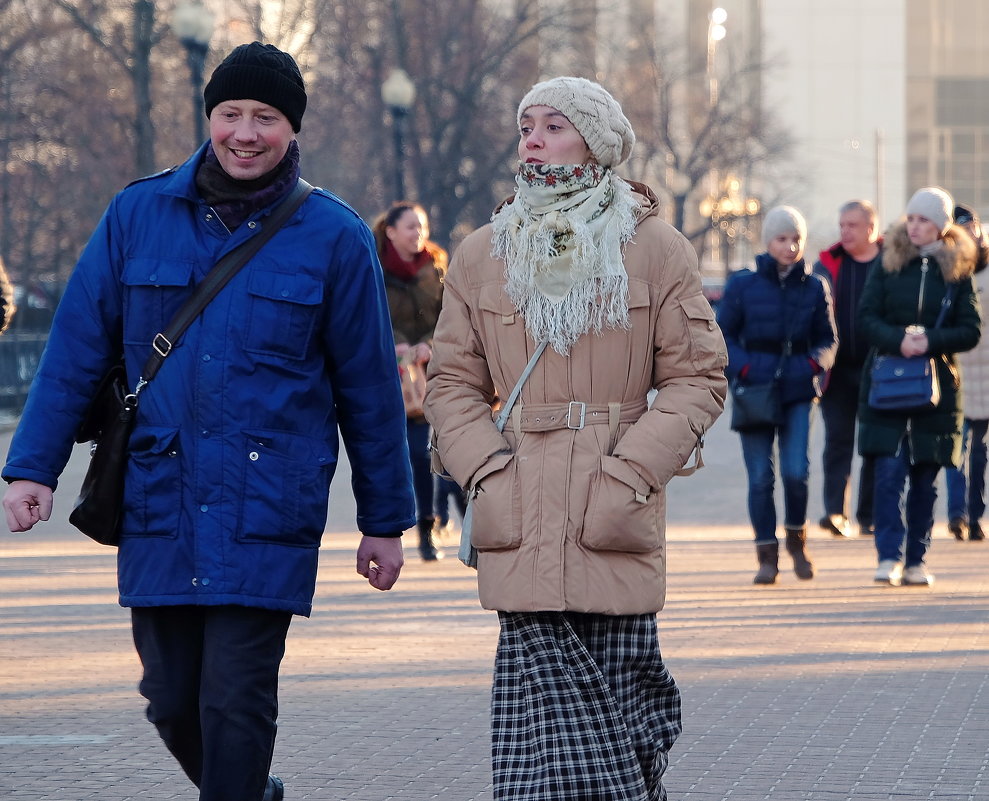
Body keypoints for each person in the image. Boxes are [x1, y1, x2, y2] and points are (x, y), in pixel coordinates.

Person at [2, 42, 414, 801]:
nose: (245, 132)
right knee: (169, 697)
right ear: (209, 117)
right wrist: (32, 467)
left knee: (235, 701)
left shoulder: (334, 235)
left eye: (266, 117)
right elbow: (75, 351)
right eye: (231, 113)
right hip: (158, 494)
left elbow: (369, 393)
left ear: (292, 129)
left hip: (267, 507)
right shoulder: (137, 214)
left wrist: (385, 520)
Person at [424, 76, 728, 801]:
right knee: (541, 728)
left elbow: (697, 375)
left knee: (632, 711)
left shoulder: (654, 247)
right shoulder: (480, 253)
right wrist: (487, 473)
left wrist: (631, 471)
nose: (532, 137)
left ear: (595, 140)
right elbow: (450, 385)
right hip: (518, 510)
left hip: (612, 507)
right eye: (526, 123)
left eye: (554, 124)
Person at [859, 187, 981, 587]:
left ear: (940, 227)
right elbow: (867, 317)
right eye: (911, 218)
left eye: (924, 220)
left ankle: (917, 560)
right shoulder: (889, 262)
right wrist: (899, 340)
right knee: (889, 473)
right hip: (889, 384)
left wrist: (930, 341)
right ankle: (889, 556)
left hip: (937, 390)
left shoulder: (957, 270)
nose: (915, 226)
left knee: (925, 481)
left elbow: (970, 330)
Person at [718, 206, 838, 585]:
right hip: (754, 389)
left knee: (796, 472)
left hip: (799, 390)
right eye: (782, 239)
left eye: (796, 239)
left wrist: (814, 365)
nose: (790, 246)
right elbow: (722, 337)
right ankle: (766, 556)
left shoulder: (815, 286)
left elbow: (828, 339)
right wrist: (748, 368)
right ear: (767, 241)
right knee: (759, 478)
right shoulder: (743, 285)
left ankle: (797, 542)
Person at [372, 201, 448, 560]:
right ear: (390, 232)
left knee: (425, 453)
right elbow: (366, 317)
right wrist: (395, 341)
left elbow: (452, 318)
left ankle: (429, 529)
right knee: (396, 454)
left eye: (422, 227)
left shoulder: (437, 268)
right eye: (410, 227)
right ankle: (390, 527)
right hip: (387, 378)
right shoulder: (372, 269)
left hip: (432, 376)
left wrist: (428, 345)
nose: (419, 234)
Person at [813, 200, 883, 538]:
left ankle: (868, 515)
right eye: (842, 225)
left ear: (871, 228)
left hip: (880, 371)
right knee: (837, 441)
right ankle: (835, 513)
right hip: (836, 372)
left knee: (872, 444)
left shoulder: (890, 265)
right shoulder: (827, 264)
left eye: (852, 225)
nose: (845, 232)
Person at [944, 203, 989, 541]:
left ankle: (976, 516)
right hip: (956, 370)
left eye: (972, 225)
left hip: (986, 372)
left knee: (980, 451)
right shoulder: (948, 271)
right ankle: (956, 514)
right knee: (955, 449)